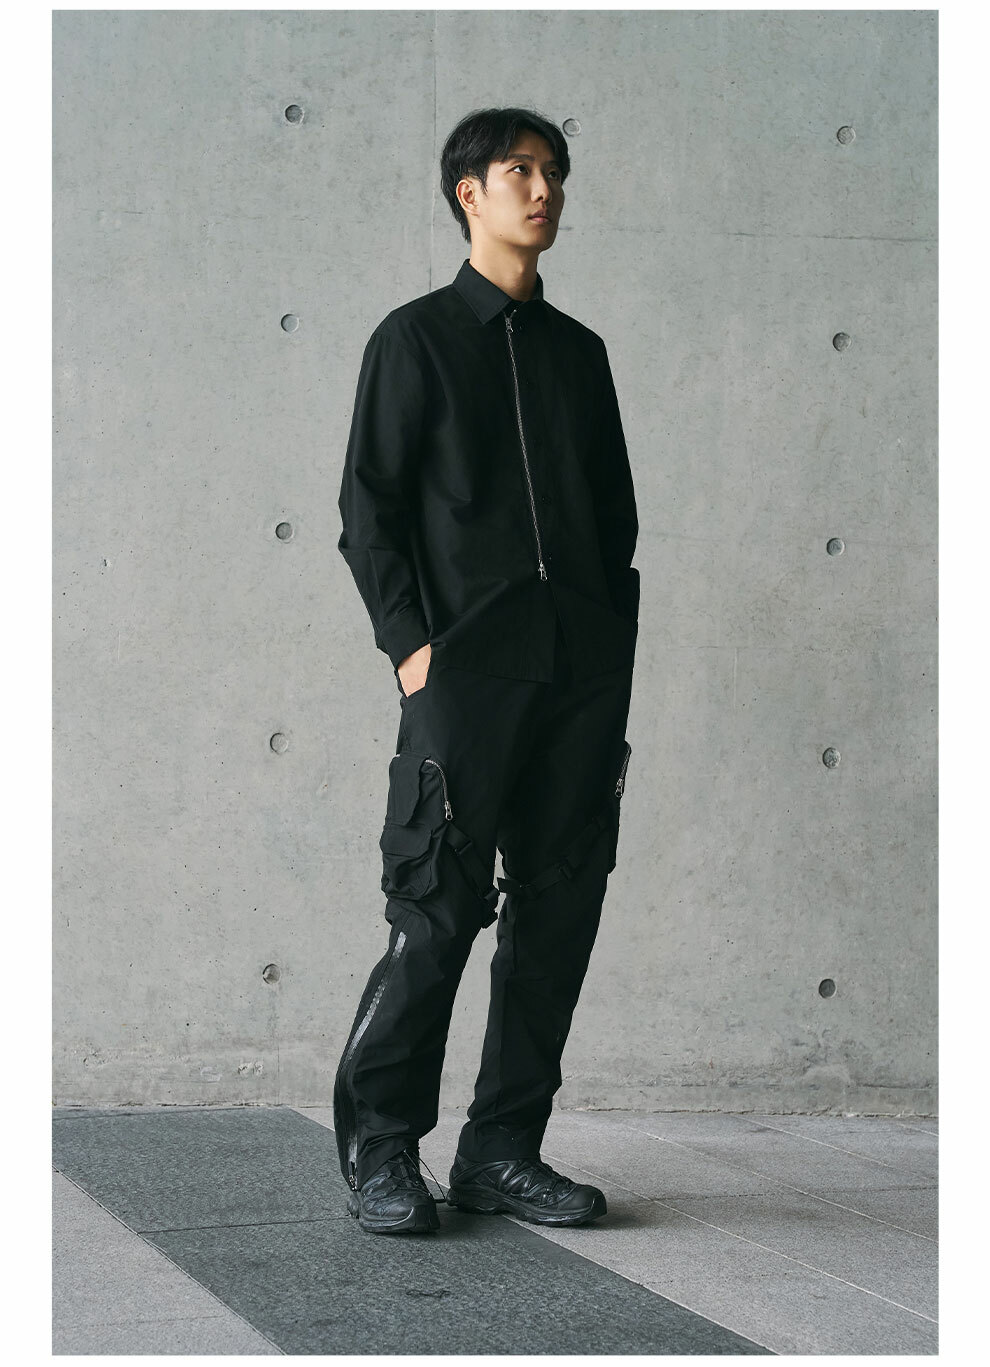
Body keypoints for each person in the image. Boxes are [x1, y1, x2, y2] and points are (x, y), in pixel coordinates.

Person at [333, 106, 639, 1235]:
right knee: (434, 914)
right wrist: (415, 654)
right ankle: (380, 1148)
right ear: (470, 192)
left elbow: (615, 522)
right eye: (521, 170)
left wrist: (610, 648)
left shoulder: (579, 355)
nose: (543, 189)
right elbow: (368, 508)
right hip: (464, 679)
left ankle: (503, 1149)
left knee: (558, 918)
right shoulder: (414, 341)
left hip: (578, 680)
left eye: (554, 171)